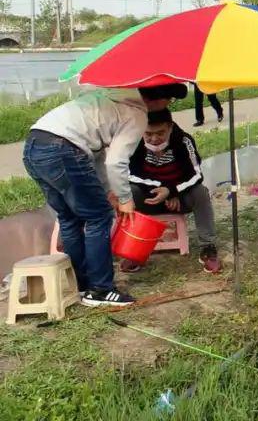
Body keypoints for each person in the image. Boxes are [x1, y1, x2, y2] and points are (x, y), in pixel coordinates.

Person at [22, 83, 187, 307]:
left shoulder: (107, 95)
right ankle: (101, 289)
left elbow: (96, 153)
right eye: (170, 100)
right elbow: (115, 161)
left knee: (70, 218)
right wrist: (125, 199)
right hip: (63, 149)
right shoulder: (137, 114)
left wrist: (110, 190)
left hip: (35, 145)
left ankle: (80, 285)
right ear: (159, 100)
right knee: (99, 217)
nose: (168, 105)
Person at [126, 109, 221, 274]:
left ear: (170, 127)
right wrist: (164, 191)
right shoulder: (134, 141)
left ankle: (208, 247)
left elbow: (196, 174)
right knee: (128, 193)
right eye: (148, 134)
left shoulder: (184, 141)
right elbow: (130, 175)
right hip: (150, 197)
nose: (154, 139)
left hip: (181, 197)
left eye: (160, 133)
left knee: (201, 192)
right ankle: (134, 249)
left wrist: (172, 191)